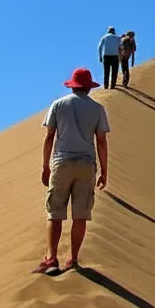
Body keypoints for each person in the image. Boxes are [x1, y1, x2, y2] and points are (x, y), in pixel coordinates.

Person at [35, 67, 110, 274]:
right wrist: (105, 171)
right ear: (88, 87)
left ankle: (51, 258)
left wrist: (45, 166)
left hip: (62, 162)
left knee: (55, 212)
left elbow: (49, 136)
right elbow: (101, 141)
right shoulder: (97, 109)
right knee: (80, 215)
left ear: (73, 86)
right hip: (86, 165)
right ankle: (73, 259)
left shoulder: (59, 105)